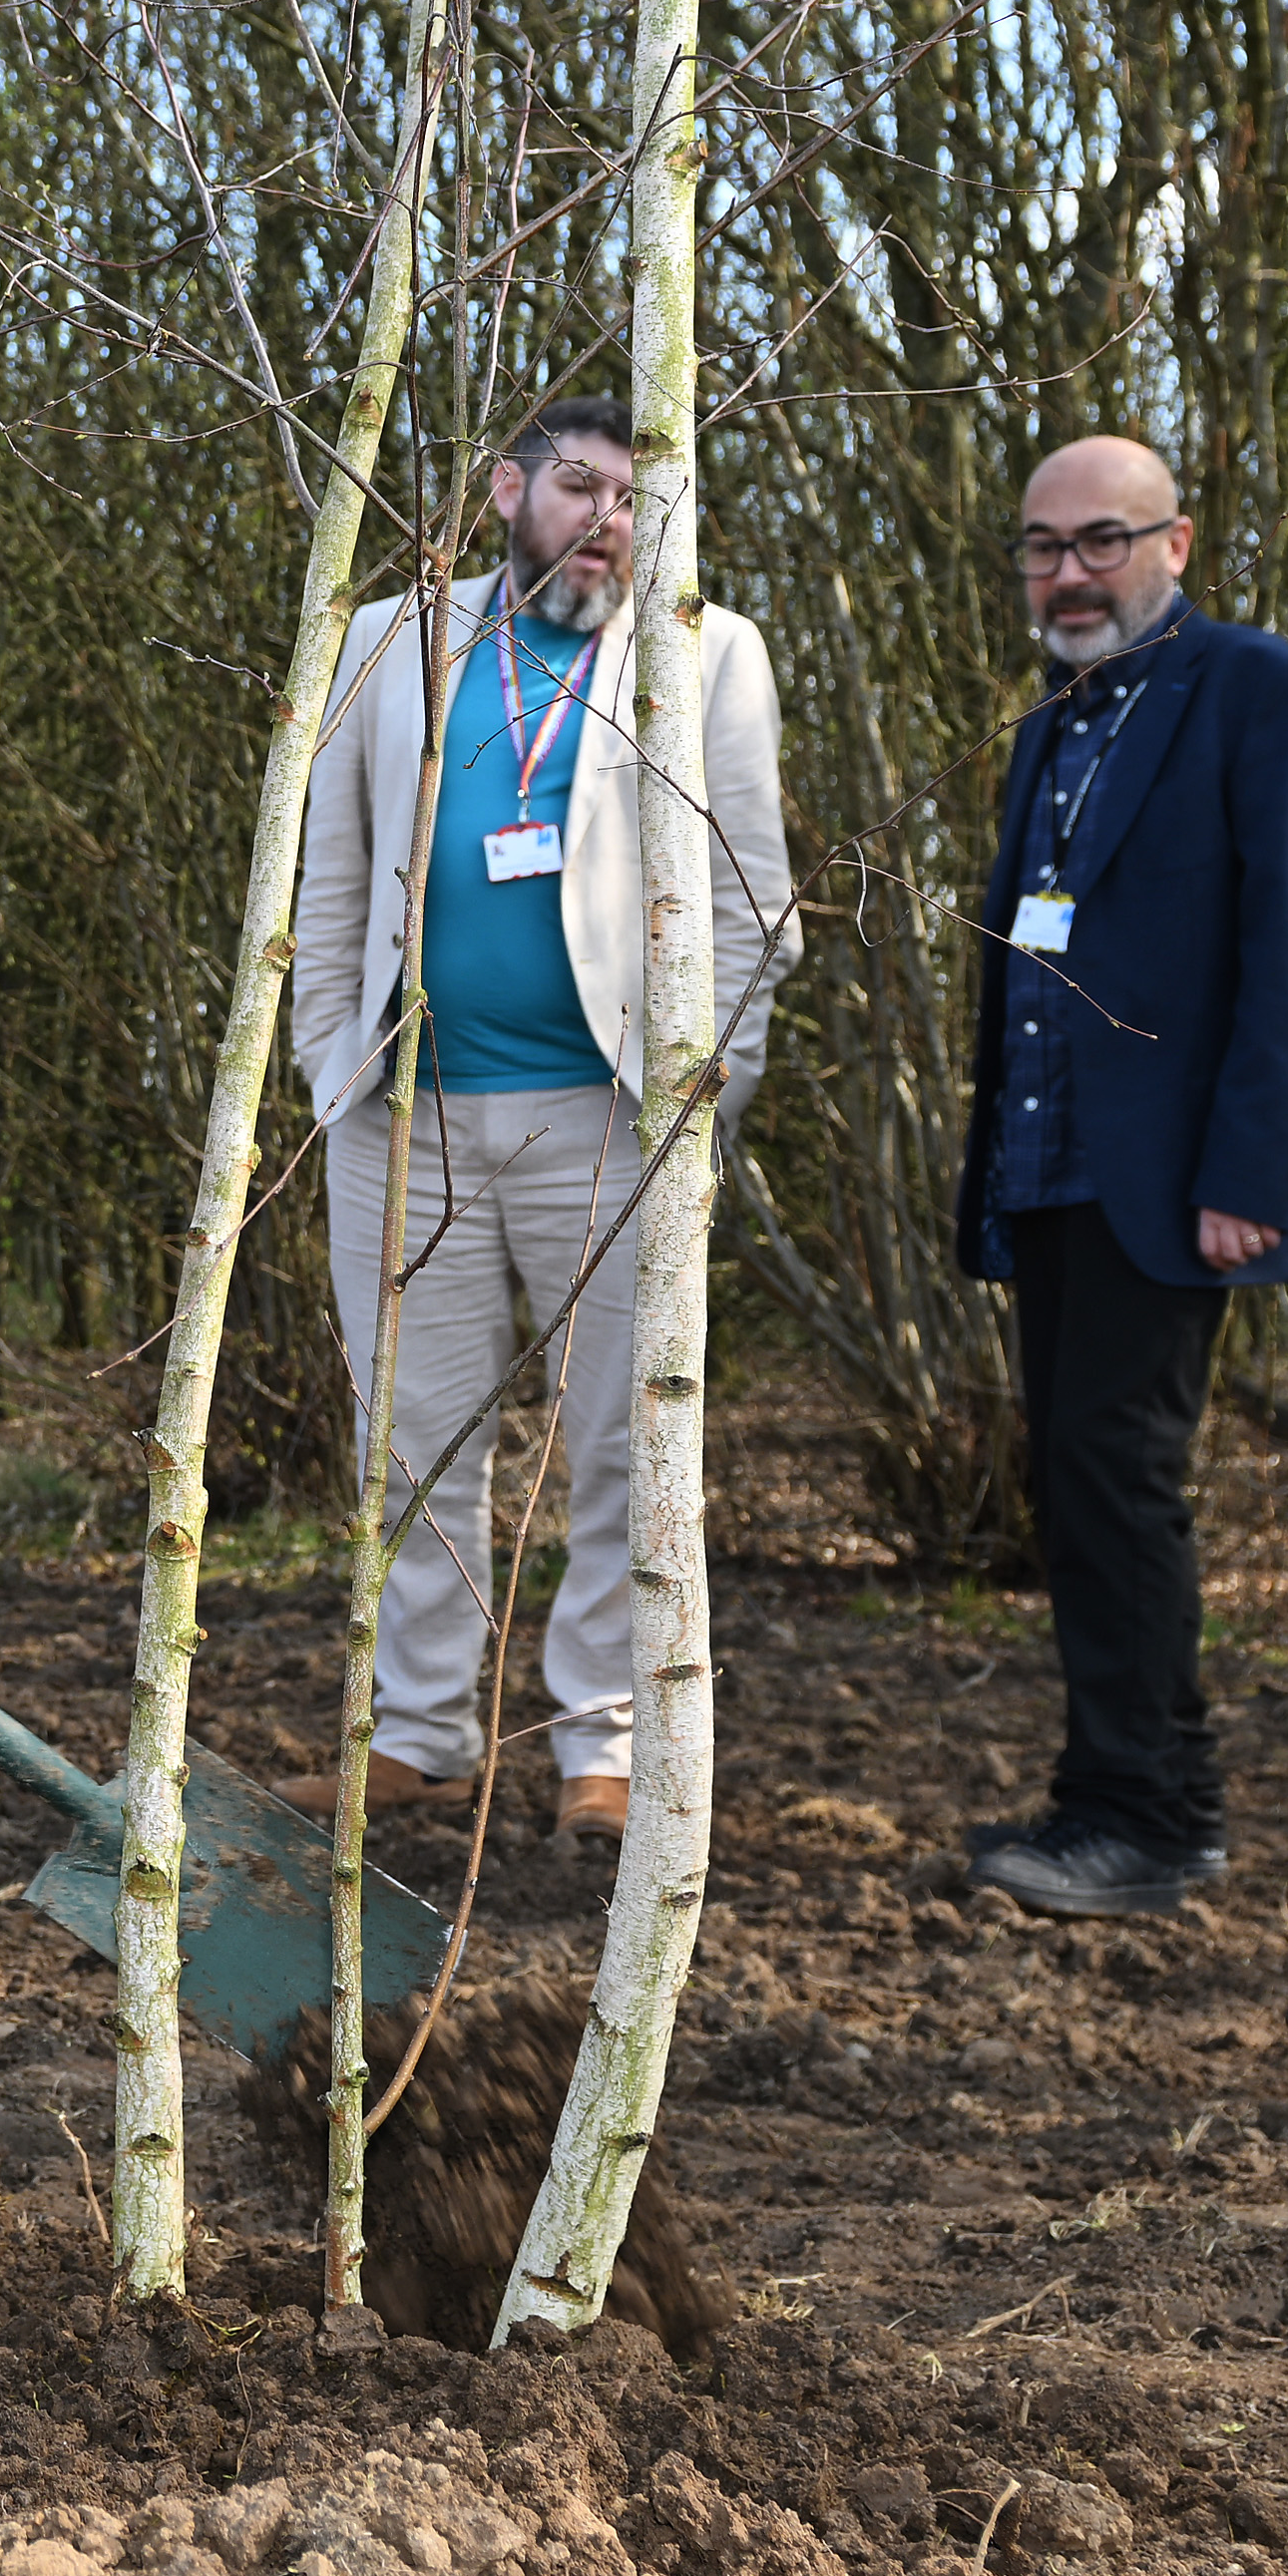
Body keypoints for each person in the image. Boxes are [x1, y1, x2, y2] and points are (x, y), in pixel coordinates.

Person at [284, 396, 797, 1845]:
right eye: (579, 487)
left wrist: (702, 1105)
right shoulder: (396, 638)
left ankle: (608, 1750)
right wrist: (334, 1063)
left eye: (636, 501)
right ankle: (422, 1738)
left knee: (625, 1445)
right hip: (407, 1116)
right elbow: (332, 875)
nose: (606, 521)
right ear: (509, 489)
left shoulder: (705, 654)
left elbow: (757, 903)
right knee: (417, 1443)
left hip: (612, 1126)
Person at [954, 434, 1288, 1918]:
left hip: (1180, 1175)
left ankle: (1153, 1815)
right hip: (1056, 1170)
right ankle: (1107, 1793)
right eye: (1041, 545)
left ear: (1177, 544)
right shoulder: (1046, 728)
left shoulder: (1261, 691)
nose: (1068, 572)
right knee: (1079, 1482)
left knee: (1122, 1480)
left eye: (1101, 541)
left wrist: (1251, 1169)